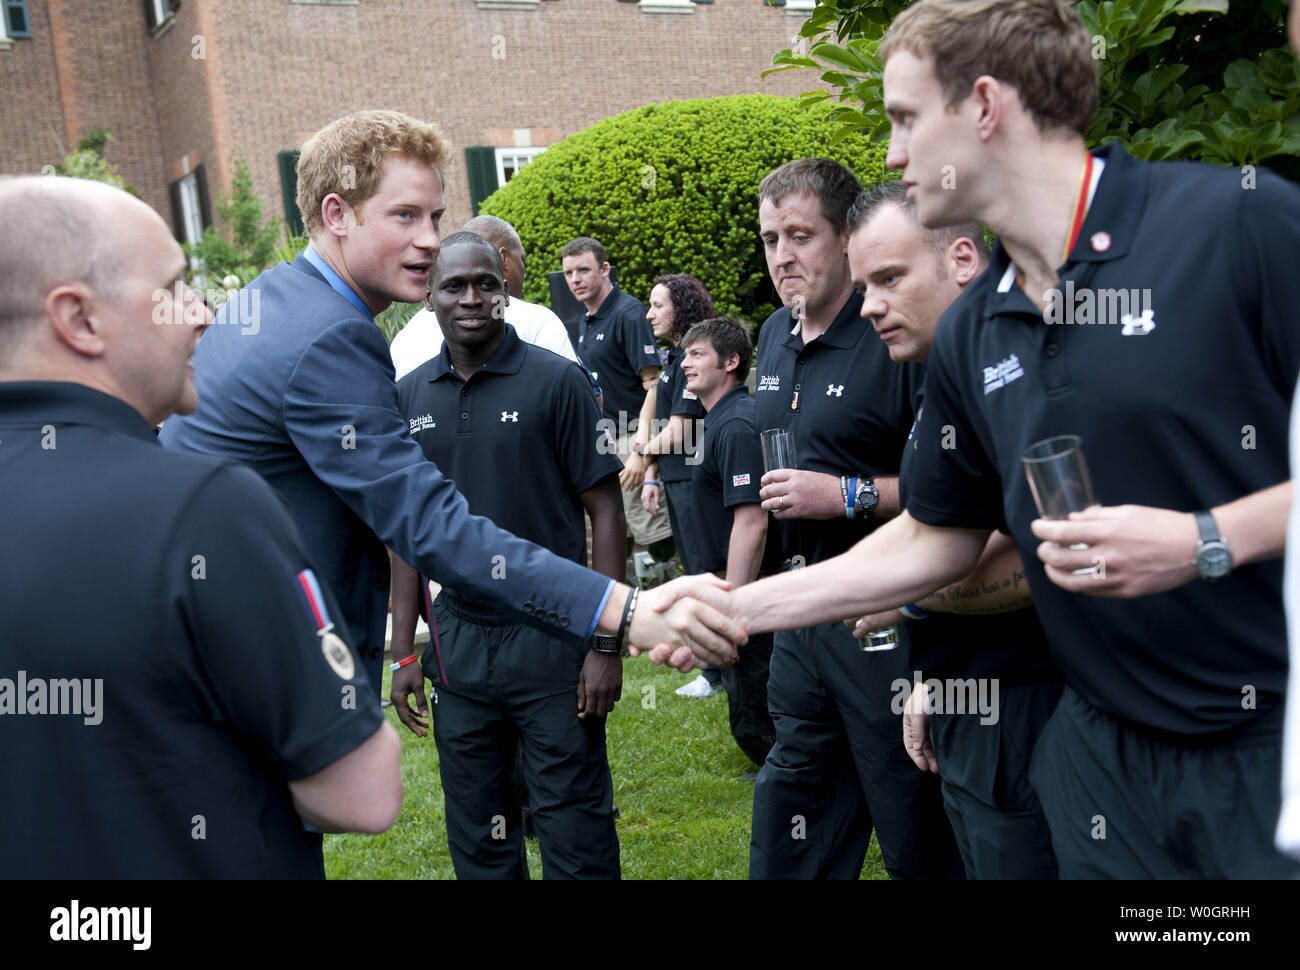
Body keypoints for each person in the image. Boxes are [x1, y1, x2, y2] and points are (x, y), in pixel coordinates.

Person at [653, 0, 1300, 878]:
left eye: (905, 119)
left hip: (1268, 748)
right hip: (1100, 762)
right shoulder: (974, 328)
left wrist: (1205, 542)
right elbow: (936, 531)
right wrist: (742, 607)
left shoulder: (1236, 227)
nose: (889, 153)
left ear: (985, 106)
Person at [158, 110, 746, 708]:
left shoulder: (273, 298)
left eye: (435, 217)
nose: (432, 240)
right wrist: (618, 609)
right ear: (336, 215)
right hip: (270, 669)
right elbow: (429, 523)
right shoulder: (329, 337)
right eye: (405, 215)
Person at [0, 175, 402, 878]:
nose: (203, 314)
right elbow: (362, 793)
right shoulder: (206, 508)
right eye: (174, 288)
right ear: (80, 319)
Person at [746, 157, 961, 880]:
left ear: (845, 239)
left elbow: (959, 492)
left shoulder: (899, 333)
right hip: (803, 611)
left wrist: (847, 495)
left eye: (800, 235)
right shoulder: (773, 335)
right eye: (771, 238)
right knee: (792, 807)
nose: (783, 255)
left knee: (911, 817)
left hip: (889, 617)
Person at [844, 181, 1062, 879]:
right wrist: (932, 677)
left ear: (963, 257)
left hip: (1029, 709)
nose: (870, 306)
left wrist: (907, 597)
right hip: (971, 701)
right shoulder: (950, 374)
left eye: (888, 279)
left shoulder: (1022, 371)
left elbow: (1046, 557)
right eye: (864, 286)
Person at [390, 233, 623, 879]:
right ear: (430, 297)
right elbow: (405, 528)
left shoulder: (560, 382)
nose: (472, 298)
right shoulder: (407, 397)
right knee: (479, 833)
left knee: (574, 827)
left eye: (486, 284)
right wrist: (406, 649)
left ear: (507, 290)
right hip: (459, 641)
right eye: (455, 285)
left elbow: (606, 510)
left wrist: (606, 642)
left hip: (553, 633)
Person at [679, 318, 782, 766]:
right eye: (684, 355)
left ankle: (779, 762)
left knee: (756, 687)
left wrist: (733, 606)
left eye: (696, 354)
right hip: (728, 581)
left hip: (750, 587)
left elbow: (752, 521)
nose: (685, 364)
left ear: (732, 362)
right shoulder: (720, 419)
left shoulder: (737, 424)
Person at [562, 236, 674, 564]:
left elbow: (653, 385)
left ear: (605, 269)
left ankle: (669, 601)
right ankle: (624, 611)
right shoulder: (585, 320)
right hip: (605, 443)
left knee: (655, 536)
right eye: (569, 273)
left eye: (583, 270)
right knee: (616, 534)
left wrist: (642, 453)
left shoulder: (628, 313)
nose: (575, 279)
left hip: (633, 438)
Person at [634, 273, 720, 698]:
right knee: (694, 568)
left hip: (696, 480)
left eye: (657, 305)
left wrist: (639, 454)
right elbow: (666, 419)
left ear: (681, 308)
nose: (649, 314)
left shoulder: (694, 354)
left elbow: (682, 431)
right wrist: (651, 474)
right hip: (674, 478)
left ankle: (719, 672)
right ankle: (714, 667)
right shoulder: (672, 359)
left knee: (706, 572)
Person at [389, 214, 582, 380]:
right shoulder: (536, 320)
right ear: (504, 258)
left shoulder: (404, 338)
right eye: (522, 259)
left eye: (484, 285)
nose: (471, 300)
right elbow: (589, 397)